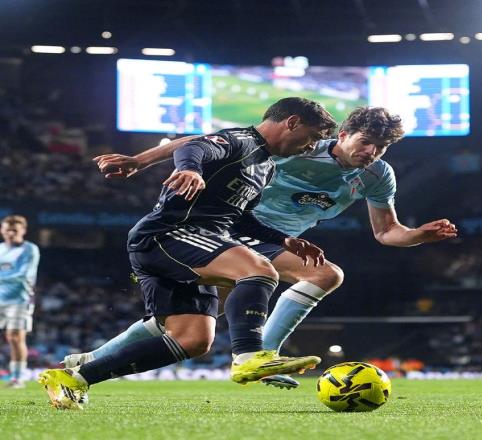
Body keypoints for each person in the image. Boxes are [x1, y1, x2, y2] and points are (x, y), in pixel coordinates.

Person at [67, 106, 458, 390]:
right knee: (325, 274)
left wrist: (418, 235)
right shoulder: (303, 147)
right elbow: (201, 143)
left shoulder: (377, 175)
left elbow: (387, 232)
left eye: (381, 147)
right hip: (239, 228)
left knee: (193, 319)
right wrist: (140, 160)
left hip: (273, 240)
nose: (371, 152)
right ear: (343, 135)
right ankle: (262, 356)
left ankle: (90, 361)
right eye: (366, 141)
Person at [39, 97, 337, 409]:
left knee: (193, 341)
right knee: (259, 270)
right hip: (168, 235)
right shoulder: (240, 140)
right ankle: (249, 355)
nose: (310, 146)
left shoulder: (267, 168)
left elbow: (239, 217)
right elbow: (192, 147)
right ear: (292, 122)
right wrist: (190, 170)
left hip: (195, 241)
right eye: (312, 137)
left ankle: (75, 377)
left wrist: (283, 239)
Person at [0, 215, 40, 388]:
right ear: (2, 230)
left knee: (15, 337)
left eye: (14, 230)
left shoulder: (29, 249)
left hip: (20, 299)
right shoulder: (0, 249)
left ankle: (17, 377)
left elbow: (23, 274)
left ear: (23, 231)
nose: (10, 233)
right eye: (7, 230)